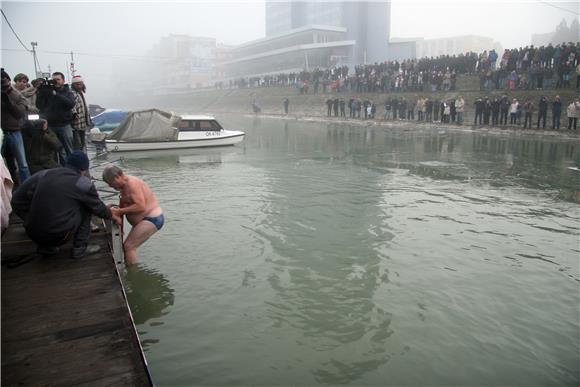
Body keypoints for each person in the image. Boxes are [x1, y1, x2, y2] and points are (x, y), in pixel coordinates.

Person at [11, 151, 112, 258]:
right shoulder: (83, 183)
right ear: (84, 169)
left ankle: (47, 247)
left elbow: (16, 200)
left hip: (33, 234)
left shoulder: (43, 174)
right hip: (60, 236)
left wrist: (28, 217)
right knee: (86, 207)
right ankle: (80, 248)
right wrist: (110, 213)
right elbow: (98, 208)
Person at [102, 165, 163, 265]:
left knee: (129, 246)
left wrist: (119, 212)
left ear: (117, 177)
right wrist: (117, 209)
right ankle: (129, 267)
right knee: (128, 246)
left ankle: (133, 274)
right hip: (144, 220)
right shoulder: (123, 186)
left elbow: (140, 206)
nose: (110, 186)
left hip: (152, 218)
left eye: (110, 183)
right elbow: (128, 203)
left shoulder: (132, 183)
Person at [36, 72, 76, 165]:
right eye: (54, 80)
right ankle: (58, 170)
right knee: (54, 150)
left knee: (68, 149)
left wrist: (56, 95)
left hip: (64, 125)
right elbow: (39, 105)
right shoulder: (48, 92)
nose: (56, 82)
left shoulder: (67, 91)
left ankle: (71, 169)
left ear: (63, 80)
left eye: (58, 79)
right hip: (51, 125)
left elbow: (70, 104)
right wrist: (40, 92)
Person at [1, 68, 31, 185]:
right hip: (1, 132)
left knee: (22, 164)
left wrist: (7, 98)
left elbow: (19, 113)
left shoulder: (16, 94)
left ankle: (27, 187)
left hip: (14, 131)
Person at [70, 75, 92, 151]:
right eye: (77, 84)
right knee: (78, 144)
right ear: (73, 85)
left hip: (83, 124)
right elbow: (72, 105)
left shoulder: (81, 93)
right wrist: (74, 114)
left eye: (80, 84)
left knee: (82, 144)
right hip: (76, 124)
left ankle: (82, 156)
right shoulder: (72, 93)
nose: (79, 86)